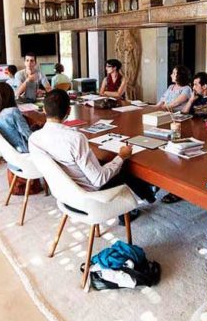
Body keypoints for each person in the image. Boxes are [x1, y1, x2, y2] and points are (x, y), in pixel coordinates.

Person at [29, 89, 155, 224]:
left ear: (44, 110)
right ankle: (140, 202)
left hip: (64, 193)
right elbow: (99, 179)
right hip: (89, 198)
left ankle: (149, 194)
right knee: (122, 167)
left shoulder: (34, 139)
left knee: (108, 162)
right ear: (69, 111)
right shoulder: (75, 138)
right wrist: (121, 156)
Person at [0, 83, 32, 154]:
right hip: (21, 148)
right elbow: (28, 134)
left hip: (6, 149)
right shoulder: (13, 112)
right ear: (10, 95)